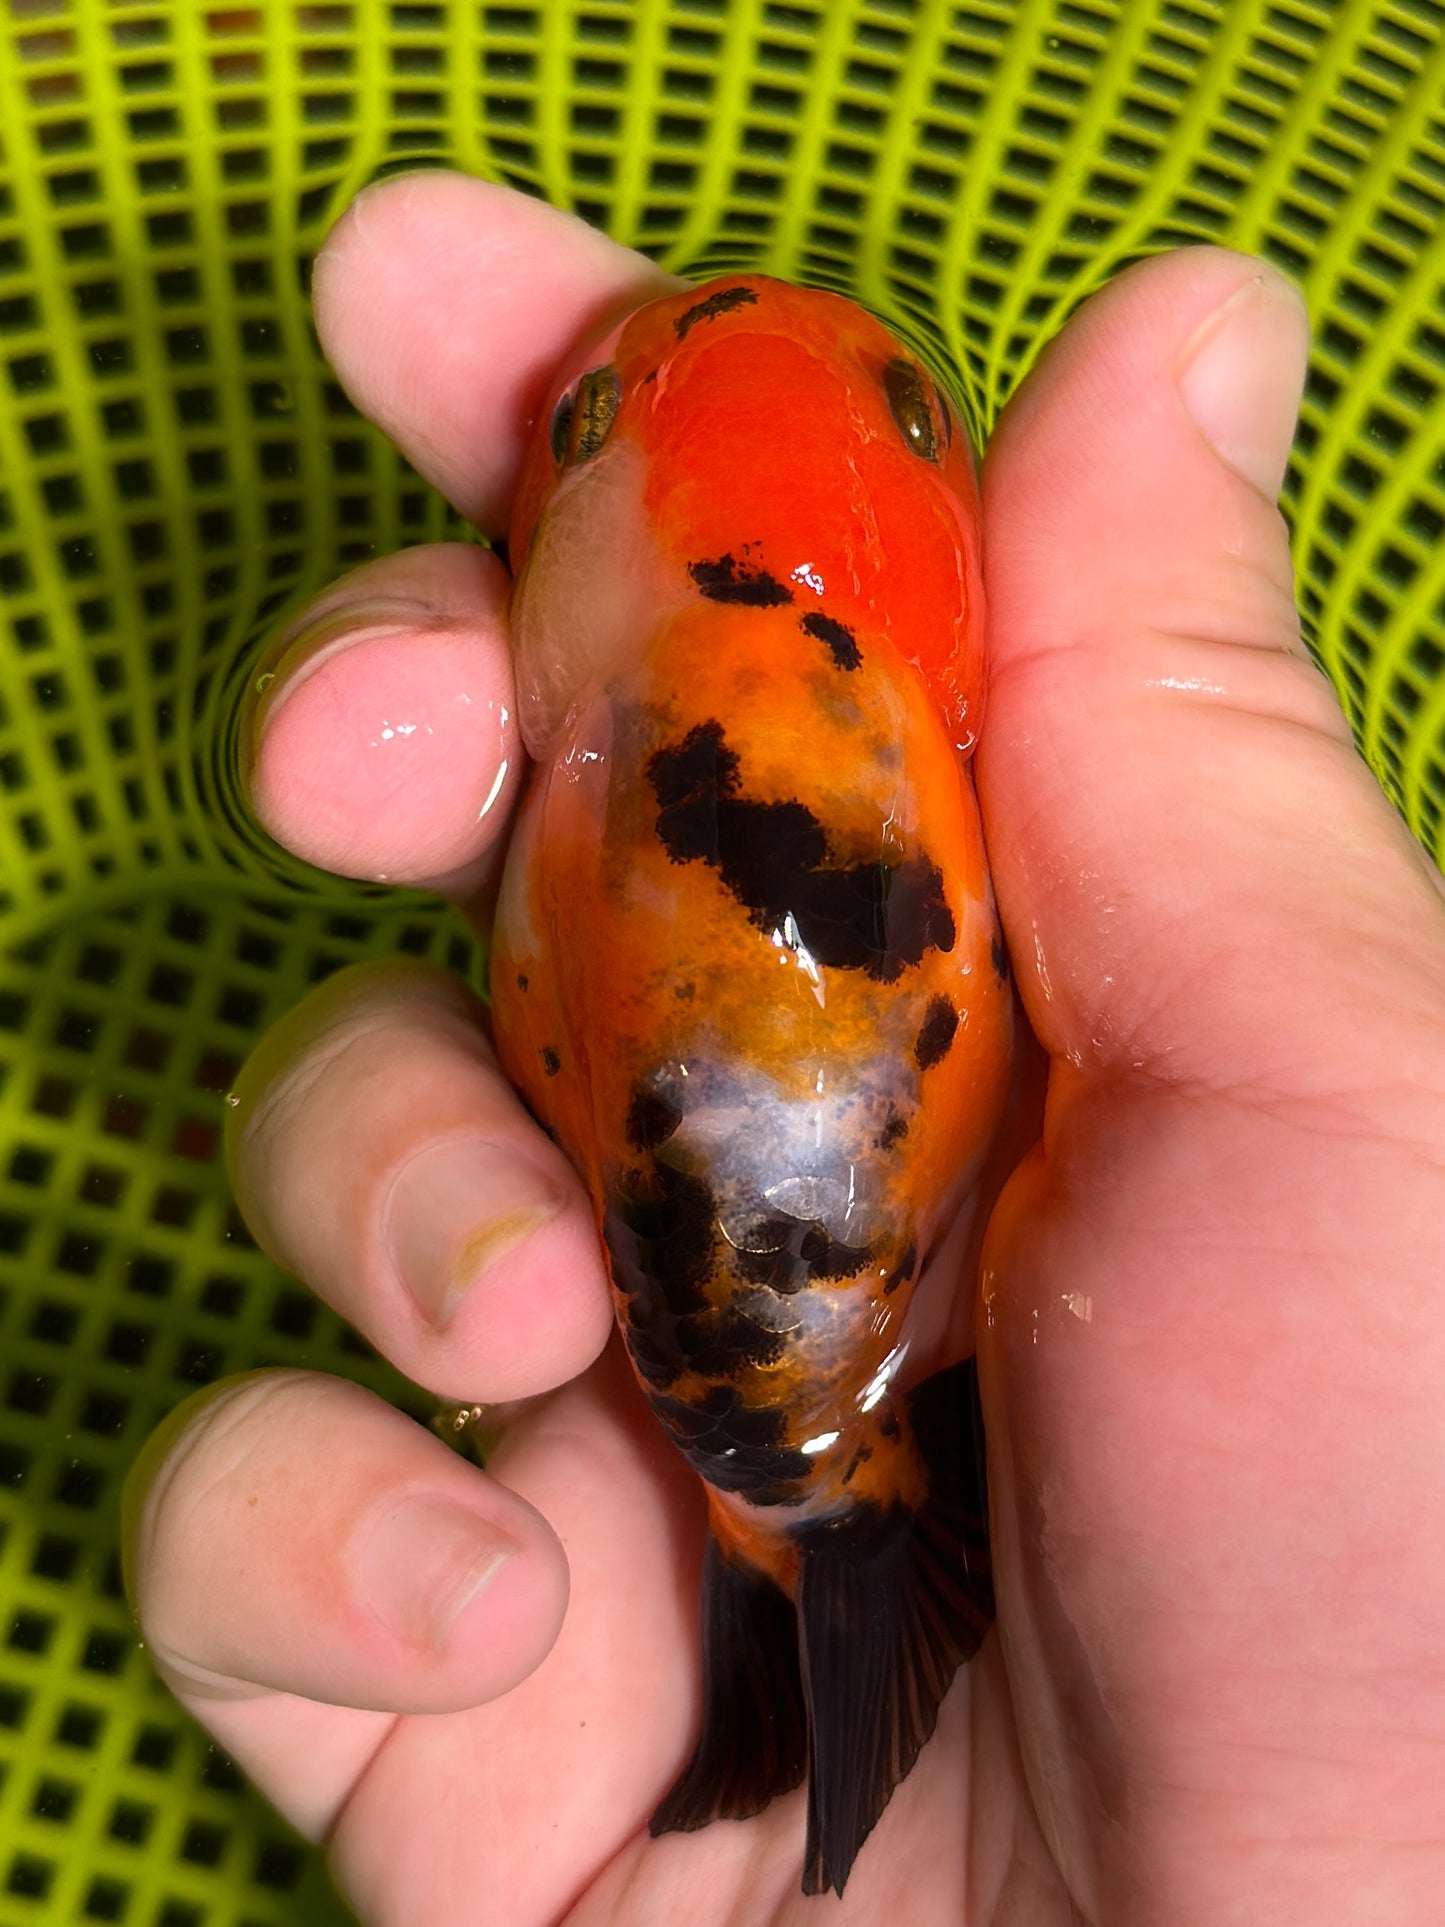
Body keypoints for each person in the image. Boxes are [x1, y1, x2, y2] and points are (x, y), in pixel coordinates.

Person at [120, 172, 1445, 1925]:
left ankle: (797, 1540)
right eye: (600, 422)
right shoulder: (651, 709)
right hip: (799, 1407)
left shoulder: (827, 704)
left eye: (899, 413)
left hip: (862, 1388)